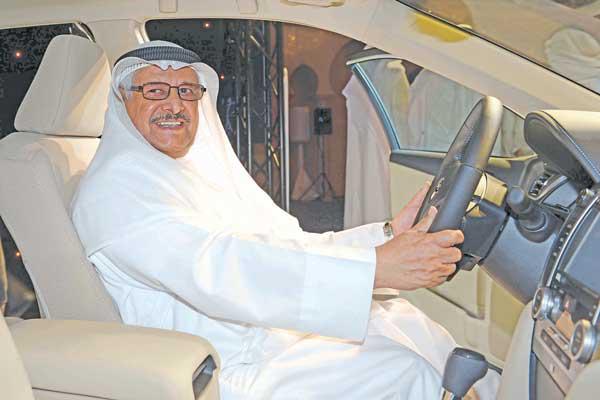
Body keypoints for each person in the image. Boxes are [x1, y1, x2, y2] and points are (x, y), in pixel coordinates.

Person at [71, 41, 495, 399]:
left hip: (269, 334)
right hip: (223, 363)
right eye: (154, 90)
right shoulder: (116, 191)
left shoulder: (191, 171)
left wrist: (384, 238)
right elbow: (223, 267)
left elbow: (283, 241)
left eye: (186, 91)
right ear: (123, 100)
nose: (174, 104)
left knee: (407, 325)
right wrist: (376, 268)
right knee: (404, 373)